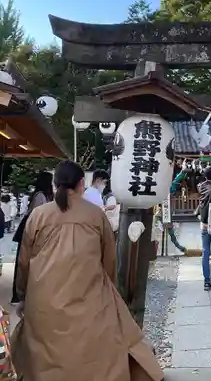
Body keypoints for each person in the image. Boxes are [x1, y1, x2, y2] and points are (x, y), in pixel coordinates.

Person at [11, 160, 164, 381]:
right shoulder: (96, 215)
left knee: (42, 350)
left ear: (55, 185)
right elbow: (109, 261)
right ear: (82, 183)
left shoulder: (38, 216)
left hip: (43, 301)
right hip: (89, 297)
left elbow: (24, 262)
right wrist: (106, 288)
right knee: (100, 345)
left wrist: (24, 296)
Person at [12, 171, 54, 304]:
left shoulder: (41, 195)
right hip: (29, 231)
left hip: (31, 230)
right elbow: (37, 217)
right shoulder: (40, 196)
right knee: (23, 261)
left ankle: (21, 294)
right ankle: (17, 295)